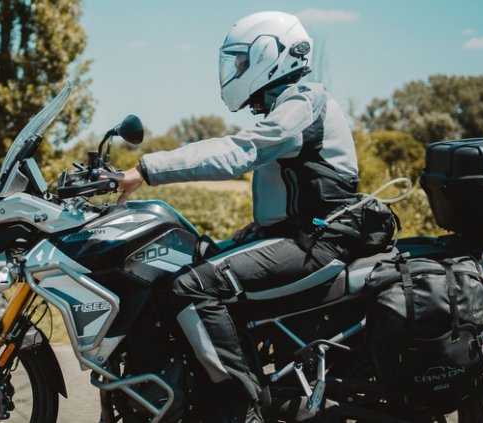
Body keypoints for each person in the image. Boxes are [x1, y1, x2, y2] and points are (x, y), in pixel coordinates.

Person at [113, 11, 360, 423]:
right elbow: (292, 193)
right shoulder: (286, 106)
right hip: (299, 236)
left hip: (318, 242)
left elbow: (239, 152)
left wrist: (146, 170)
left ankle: (241, 407)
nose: (237, 71)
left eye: (242, 62)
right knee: (177, 268)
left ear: (272, 54)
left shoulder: (303, 103)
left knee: (193, 286)